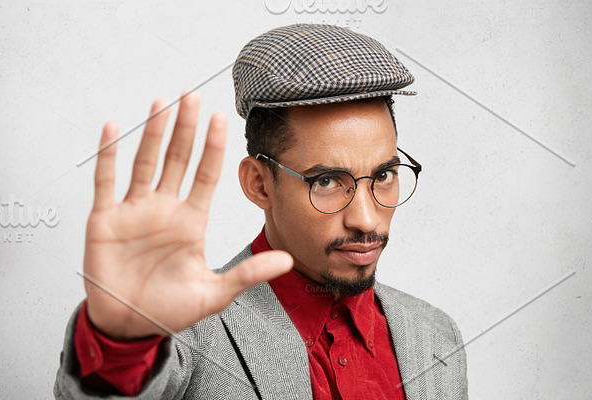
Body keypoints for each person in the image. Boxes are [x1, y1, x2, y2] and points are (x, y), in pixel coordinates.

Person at [54, 24, 468, 399]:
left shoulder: (436, 335)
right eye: (325, 181)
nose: (365, 218)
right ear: (258, 183)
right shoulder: (181, 329)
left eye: (384, 175)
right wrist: (118, 337)